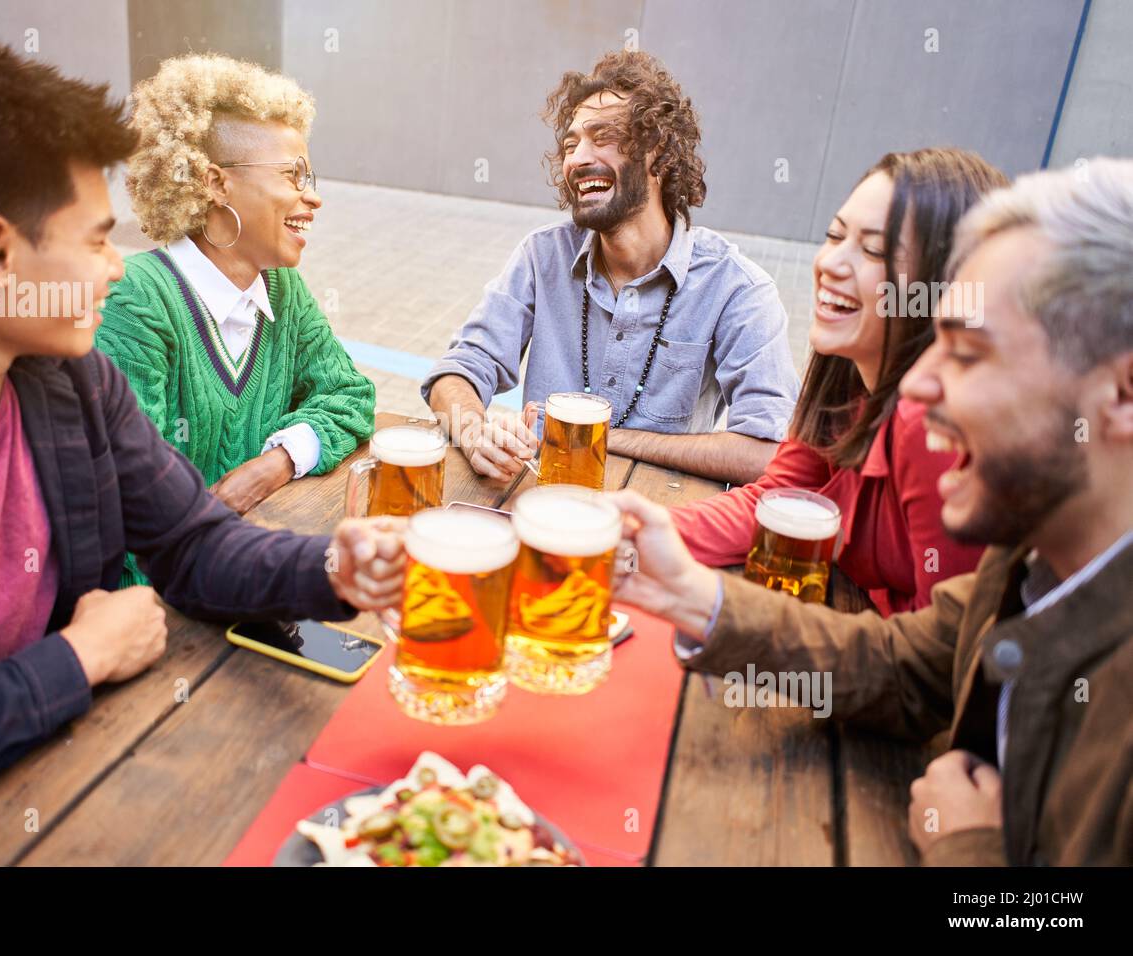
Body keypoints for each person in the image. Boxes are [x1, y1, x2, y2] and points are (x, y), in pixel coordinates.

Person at [0, 43, 401, 856]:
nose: (114, 269)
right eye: (98, 240)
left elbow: (191, 544)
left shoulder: (70, 380)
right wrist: (78, 659)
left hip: (78, 787)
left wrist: (332, 571)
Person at [609, 159, 1133, 865]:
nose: (915, 383)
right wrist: (693, 596)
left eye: (972, 353)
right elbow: (911, 666)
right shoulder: (1033, 558)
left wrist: (969, 849)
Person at [422, 51, 799, 485]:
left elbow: (767, 453)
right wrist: (475, 432)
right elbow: (456, 371)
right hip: (544, 511)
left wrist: (598, 438)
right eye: (570, 144)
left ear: (659, 155)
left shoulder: (736, 287)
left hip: (658, 526)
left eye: (603, 137)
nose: (578, 158)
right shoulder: (542, 256)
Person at [671, 149, 1007, 614]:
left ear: (945, 282)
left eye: (872, 250)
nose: (830, 263)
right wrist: (637, 529)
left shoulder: (932, 425)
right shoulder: (844, 372)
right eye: (834, 236)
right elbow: (774, 500)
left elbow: (939, 648)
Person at [98, 54, 375, 586]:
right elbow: (133, 510)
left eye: (308, 176)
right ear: (216, 184)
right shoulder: (136, 301)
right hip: (161, 610)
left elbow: (351, 395)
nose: (312, 197)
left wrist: (272, 464)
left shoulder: (279, 286)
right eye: (292, 176)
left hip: (244, 571)